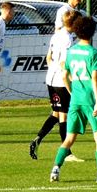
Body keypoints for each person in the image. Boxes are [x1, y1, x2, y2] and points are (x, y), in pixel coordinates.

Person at [49, 16, 97, 183]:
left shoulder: (71, 52)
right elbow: (95, 78)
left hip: (76, 100)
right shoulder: (94, 53)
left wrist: (71, 92)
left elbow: (64, 75)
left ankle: (55, 169)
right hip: (90, 99)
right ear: (92, 32)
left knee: (69, 138)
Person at [29, 9, 84, 162]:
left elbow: (48, 58)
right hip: (60, 81)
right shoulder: (67, 39)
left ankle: (37, 139)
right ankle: (67, 153)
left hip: (50, 80)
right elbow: (63, 63)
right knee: (64, 115)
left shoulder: (56, 35)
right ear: (74, 24)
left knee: (56, 113)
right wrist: (72, 82)